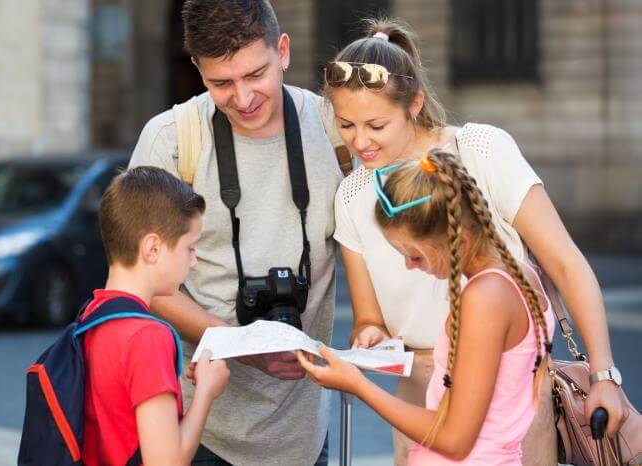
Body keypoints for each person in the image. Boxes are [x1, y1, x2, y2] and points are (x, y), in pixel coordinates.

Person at [325, 18, 629, 465]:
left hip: (511, 403)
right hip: (421, 397)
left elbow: (565, 263)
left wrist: (605, 375)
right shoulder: (353, 195)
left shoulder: (481, 151)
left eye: (375, 124)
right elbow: (369, 317)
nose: (360, 142)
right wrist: (369, 333)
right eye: (346, 125)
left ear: (415, 105)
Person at [128, 1, 343, 464]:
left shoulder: (337, 129)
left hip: (305, 434)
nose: (243, 99)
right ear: (196, 69)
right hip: (196, 431)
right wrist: (246, 348)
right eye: (221, 83)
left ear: (283, 51)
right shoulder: (170, 139)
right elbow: (141, 284)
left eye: (256, 75)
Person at [300, 149, 555, 464]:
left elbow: (455, 439)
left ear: (457, 239)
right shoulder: (519, 273)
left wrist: (357, 385)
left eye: (415, 255)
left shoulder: (485, 297)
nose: (409, 266)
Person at [81, 166, 229, 466]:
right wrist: (206, 393)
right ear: (152, 248)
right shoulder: (147, 337)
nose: (194, 261)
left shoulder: (94, 315)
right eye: (189, 248)